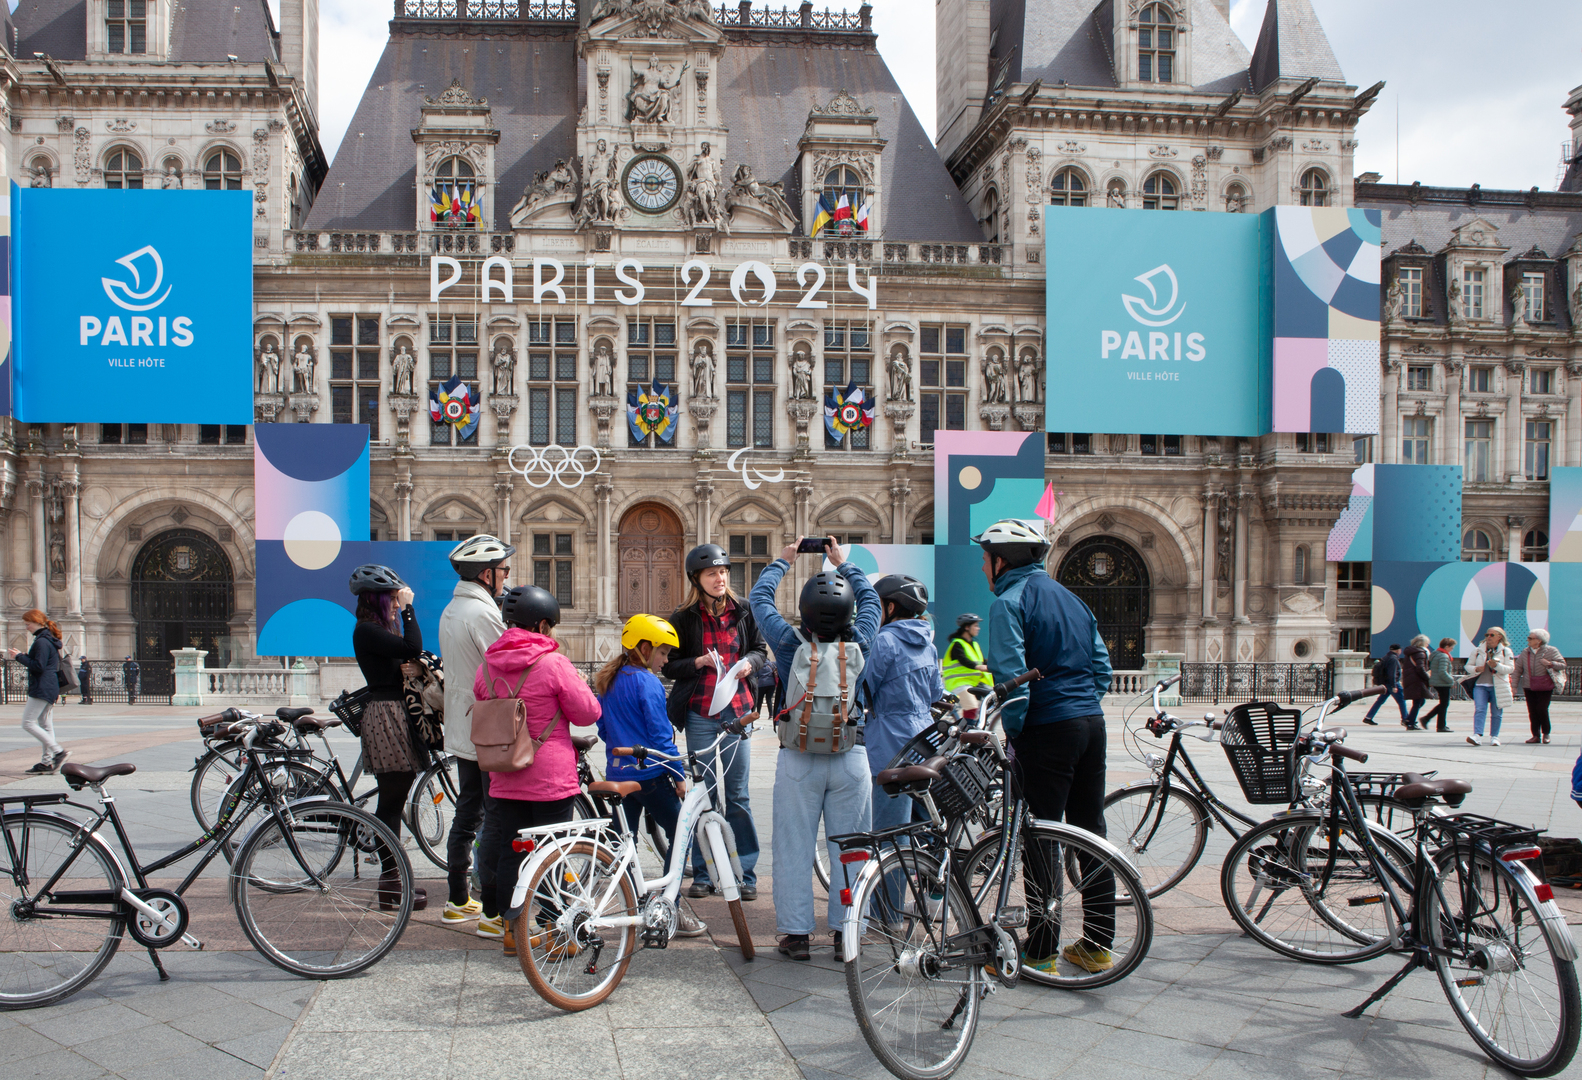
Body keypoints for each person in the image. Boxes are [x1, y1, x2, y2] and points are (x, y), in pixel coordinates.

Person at [973, 518, 1114, 975]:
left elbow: (1012, 684)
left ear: (1001, 561)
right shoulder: (1072, 598)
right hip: (1091, 723)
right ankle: (1097, 944)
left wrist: (1016, 736)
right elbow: (1102, 669)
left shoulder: (1008, 603)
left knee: (1039, 837)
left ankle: (1042, 950)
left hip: (1047, 728)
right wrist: (1079, 705)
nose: (982, 568)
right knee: (1090, 830)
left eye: (984, 559)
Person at [750, 537, 880, 960]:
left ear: (804, 612)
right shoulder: (860, 640)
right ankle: (848, 930)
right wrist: (843, 564)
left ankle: (797, 935)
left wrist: (783, 560)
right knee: (851, 847)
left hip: (798, 758)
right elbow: (873, 602)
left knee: (793, 847)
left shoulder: (789, 643)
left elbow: (758, 599)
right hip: (850, 754)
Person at [473, 585, 601, 956]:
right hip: (550, 778)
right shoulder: (553, 663)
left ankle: (513, 932)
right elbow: (588, 713)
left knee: (511, 853)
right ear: (543, 624)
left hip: (504, 773)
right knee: (552, 854)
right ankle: (553, 928)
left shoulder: (487, 664)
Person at [664, 544, 768, 901]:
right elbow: (669, 664)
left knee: (738, 795)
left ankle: (746, 873)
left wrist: (751, 663)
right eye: (712, 573)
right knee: (703, 796)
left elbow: (760, 649)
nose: (720, 578)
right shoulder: (683, 617)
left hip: (738, 712)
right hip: (700, 714)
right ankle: (705, 872)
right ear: (698, 579)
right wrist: (697, 664)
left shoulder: (745, 611)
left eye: (723, 571)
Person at [593, 613, 705, 938]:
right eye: (662, 653)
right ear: (644, 648)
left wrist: (622, 740)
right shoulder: (648, 683)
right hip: (650, 777)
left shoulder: (608, 681)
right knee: (682, 835)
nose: (665, 660)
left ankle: (637, 901)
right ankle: (669, 903)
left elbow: (602, 728)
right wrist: (680, 777)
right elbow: (660, 738)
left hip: (618, 775)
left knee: (621, 845)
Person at [437, 534, 514, 928]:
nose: (506, 577)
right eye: (503, 570)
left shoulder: (453, 608)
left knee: (468, 811)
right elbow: (507, 664)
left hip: (464, 727)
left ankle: (456, 897)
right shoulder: (482, 614)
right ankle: (492, 911)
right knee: (496, 817)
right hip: (486, 728)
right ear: (486, 574)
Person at [349, 564, 429, 911]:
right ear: (379, 599)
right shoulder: (366, 630)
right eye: (394, 600)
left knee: (393, 800)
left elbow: (404, 656)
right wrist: (411, 608)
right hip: (386, 717)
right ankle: (392, 882)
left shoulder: (376, 630)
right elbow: (413, 646)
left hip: (394, 714)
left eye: (400, 601)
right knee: (391, 804)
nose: (397, 605)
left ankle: (393, 882)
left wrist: (405, 666)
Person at [861, 575, 945, 834]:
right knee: (925, 829)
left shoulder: (884, 641)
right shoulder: (927, 644)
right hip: (926, 742)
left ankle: (896, 876)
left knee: (892, 834)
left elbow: (863, 690)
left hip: (891, 747)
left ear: (891, 607)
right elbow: (935, 694)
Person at [10, 609, 68, 774]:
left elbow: (38, 666)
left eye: (27, 623)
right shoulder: (49, 639)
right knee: (45, 724)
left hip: (42, 686)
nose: (26, 627)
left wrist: (19, 657)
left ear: (36, 622)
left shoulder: (41, 642)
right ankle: (46, 762)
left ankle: (58, 752)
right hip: (50, 686)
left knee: (28, 723)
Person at [1515, 628, 1566, 745]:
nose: (1527, 640)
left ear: (1538, 641)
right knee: (1532, 711)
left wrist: (1550, 663)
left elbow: (1563, 665)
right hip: (1529, 685)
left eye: (1530, 638)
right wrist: (1513, 686)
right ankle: (1535, 735)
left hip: (1544, 685)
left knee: (1542, 709)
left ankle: (1546, 733)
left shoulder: (1551, 650)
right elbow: (1518, 669)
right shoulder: (1525, 652)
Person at [1467, 626, 1515, 747]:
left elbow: (1510, 668)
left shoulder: (1506, 651)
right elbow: (1468, 666)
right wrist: (1476, 669)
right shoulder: (1478, 650)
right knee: (1480, 709)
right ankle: (1477, 735)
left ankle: (1495, 736)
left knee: (1497, 712)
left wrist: (1497, 666)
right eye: (1487, 635)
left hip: (1497, 686)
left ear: (1500, 637)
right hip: (1480, 685)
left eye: (1492, 635)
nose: (1488, 637)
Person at [941, 613, 991, 716]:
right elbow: (964, 660)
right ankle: (967, 729)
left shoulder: (975, 644)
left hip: (972, 682)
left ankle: (976, 724)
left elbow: (982, 661)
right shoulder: (957, 644)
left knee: (991, 697)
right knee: (972, 707)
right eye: (976, 626)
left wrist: (995, 664)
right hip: (958, 683)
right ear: (967, 627)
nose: (978, 628)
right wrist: (979, 667)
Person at [1361, 645, 1409, 727]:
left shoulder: (1386, 657)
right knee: (1401, 700)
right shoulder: (1393, 659)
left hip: (1385, 683)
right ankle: (1405, 719)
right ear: (1398, 650)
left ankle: (1368, 717)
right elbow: (1392, 673)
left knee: (1380, 701)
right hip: (1392, 683)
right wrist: (1394, 686)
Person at [1422, 637, 1456, 733]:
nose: (1452, 650)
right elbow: (1442, 672)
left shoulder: (1436, 654)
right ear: (1447, 646)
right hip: (1442, 683)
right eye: (1451, 647)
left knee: (1443, 704)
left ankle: (1428, 719)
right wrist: (1451, 681)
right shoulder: (1443, 656)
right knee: (1444, 704)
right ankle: (1440, 725)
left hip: (1437, 682)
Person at [1400, 635, 1433, 731]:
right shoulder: (1420, 653)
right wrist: (1427, 677)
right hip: (1417, 680)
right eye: (1427, 643)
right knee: (1418, 701)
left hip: (1411, 679)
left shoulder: (1410, 652)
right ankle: (1410, 723)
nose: (1428, 645)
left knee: (1419, 701)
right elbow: (1420, 668)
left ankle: (1409, 720)